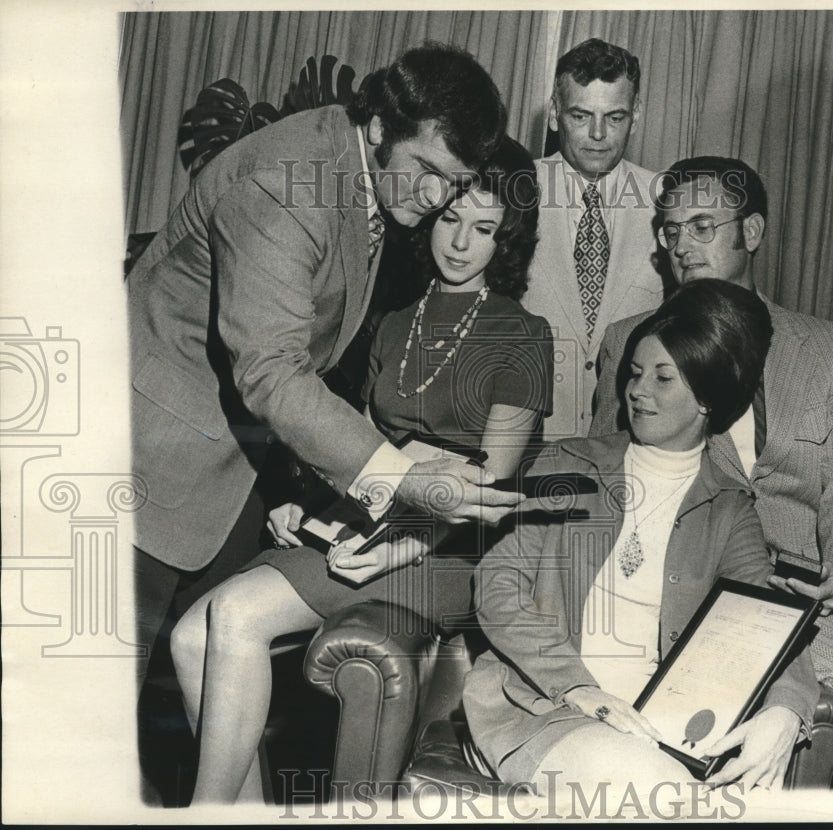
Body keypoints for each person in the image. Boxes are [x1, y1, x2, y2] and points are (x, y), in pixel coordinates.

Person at [171, 137, 554, 804]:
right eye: (450, 220)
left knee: (231, 614)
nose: (461, 244)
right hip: (370, 519)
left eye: (485, 228)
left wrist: (391, 553)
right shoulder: (393, 322)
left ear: (509, 239)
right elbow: (361, 448)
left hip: (446, 550)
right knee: (185, 639)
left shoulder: (523, 334)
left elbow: (488, 489)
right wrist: (306, 503)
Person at [127, 43, 520, 681]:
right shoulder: (287, 181)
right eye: (425, 168)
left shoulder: (361, 169)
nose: (433, 197)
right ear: (378, 127)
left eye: (455, 183)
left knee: (202, 678)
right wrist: (400, 479)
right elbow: (275, 371)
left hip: (226, 468)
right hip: (147, 459)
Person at [591, 156, 833, 784]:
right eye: (670, 229)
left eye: (703, 226)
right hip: (686, 585)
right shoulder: (633, 340)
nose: (682, 245)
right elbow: (604, 481)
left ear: (752, 233)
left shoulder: (823, 346)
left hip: (797, 597)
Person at [464, 279, 818, 800]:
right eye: (634, 373)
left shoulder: (730, 509)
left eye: (662, 377)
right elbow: (497, 585)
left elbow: (768, 619)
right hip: (544, 710)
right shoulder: (568, 463)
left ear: (706, 398)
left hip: (662, 734)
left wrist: (787, 709)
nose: (637, 390)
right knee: (668, 797)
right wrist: (580, 687)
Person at [520, 38, 663, 441]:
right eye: (581, 116)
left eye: (614, 117)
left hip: (627, 447)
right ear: (553, 114)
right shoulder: (510, 192)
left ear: (636, 115)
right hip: (524, 446)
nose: (598, 134)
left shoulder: (668, 202)